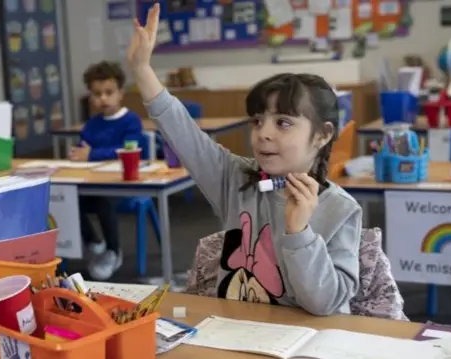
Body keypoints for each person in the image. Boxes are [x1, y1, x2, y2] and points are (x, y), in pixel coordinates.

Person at [126, 4, 362, 316]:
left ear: (321, 135)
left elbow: (323, 304)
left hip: (308, 340)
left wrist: (299, 232)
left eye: (283, 123)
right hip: (240, 333)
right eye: (257, 121)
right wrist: (142, 69)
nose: (263, 133)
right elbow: (184, 134)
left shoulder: (341, 209)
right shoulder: (238, 180)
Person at [69, 61, 143, 280]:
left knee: (102, 201)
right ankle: (94, 241)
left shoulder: (131, 121)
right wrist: (80, 153)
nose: (103, 98)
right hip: (94, 181)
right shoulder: (92, 124)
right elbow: (84, 147)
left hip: (124, 185)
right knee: (69, 198)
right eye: (97, 93)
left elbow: (127, 150)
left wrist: (92, 154)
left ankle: (113, 250)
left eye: (109, 92)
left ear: (120, 93)